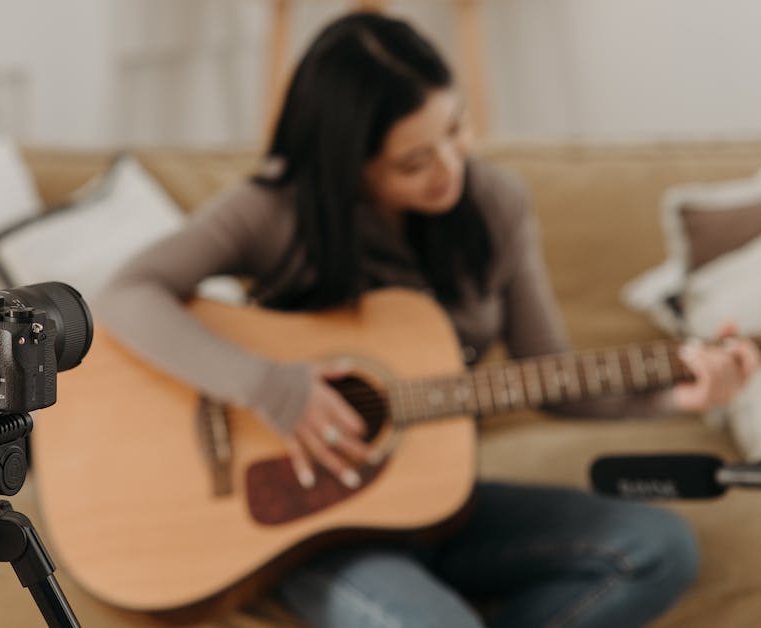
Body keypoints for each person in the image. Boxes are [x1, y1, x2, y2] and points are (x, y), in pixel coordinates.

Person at [96, 12, 759, 628]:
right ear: (347, 166)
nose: (450, 168)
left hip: (442, 505)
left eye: (456, 130)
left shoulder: (496, 201)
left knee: (659, 546)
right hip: (312, 532)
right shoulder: (271, 211)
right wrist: (273, 389)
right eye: (413, 161)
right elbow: (126, 293)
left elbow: (548, 376)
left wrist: (675, 394)